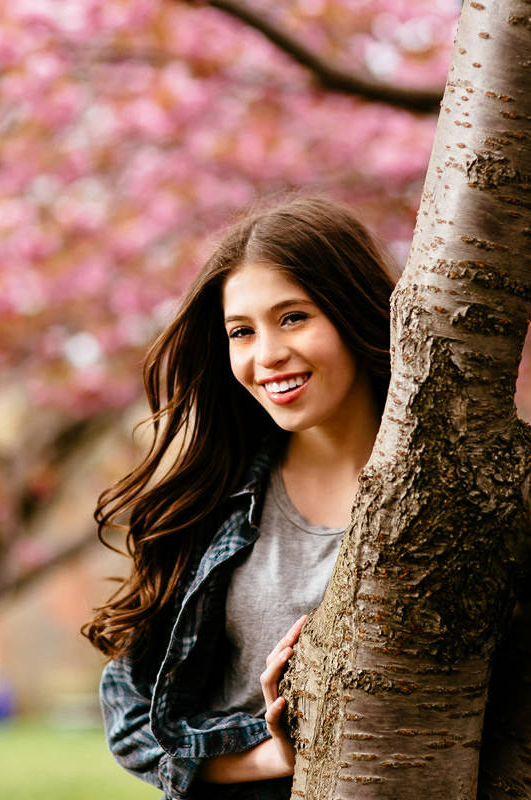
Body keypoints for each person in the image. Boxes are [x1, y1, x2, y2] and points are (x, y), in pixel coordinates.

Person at [83, 195, 396, 799]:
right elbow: (131, 719)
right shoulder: (212, 504)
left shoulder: (459, 493)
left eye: (294, 317)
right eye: (241, 332)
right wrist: (272, 754)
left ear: (355, 312)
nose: (266, 356)